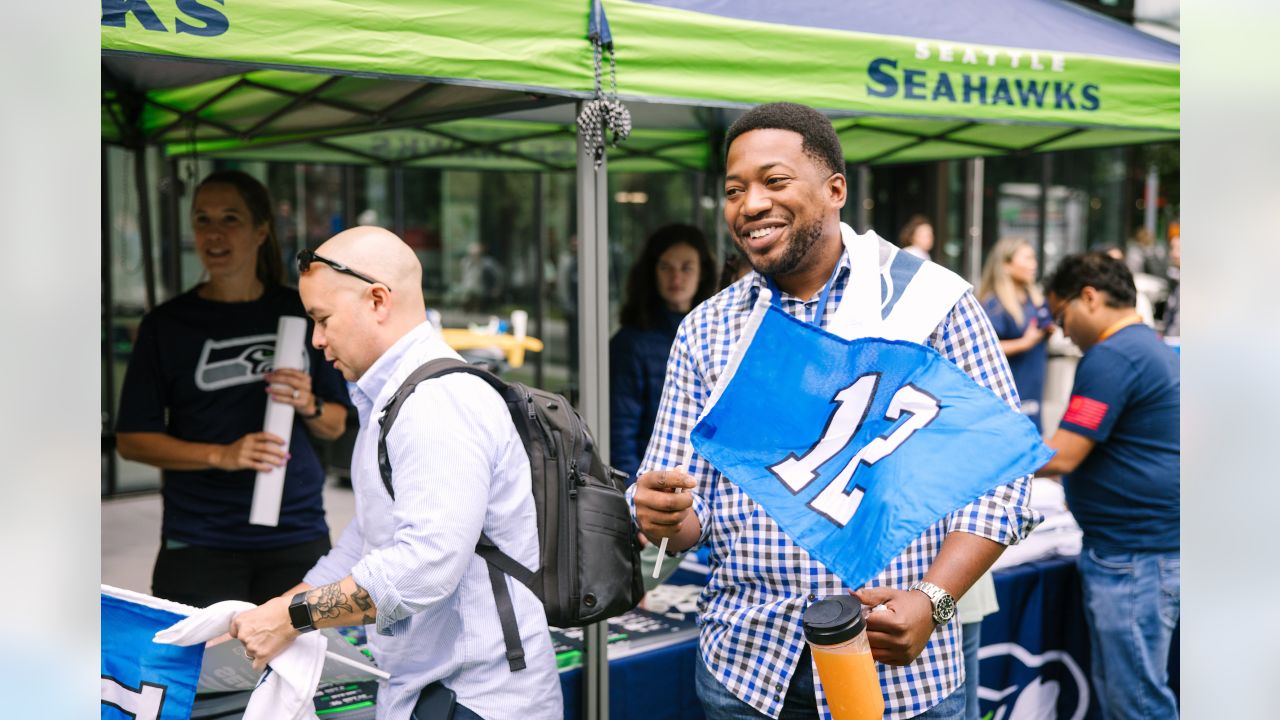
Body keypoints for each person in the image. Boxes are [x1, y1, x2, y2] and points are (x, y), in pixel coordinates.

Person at [630, 102, 1039, 720]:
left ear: (835, 189)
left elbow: (1003, 480)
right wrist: (664, 514)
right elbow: (693, 516)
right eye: (735, 190)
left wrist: (933, 600)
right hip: (747, 670)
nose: (750, 205)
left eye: (774, 181)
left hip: (901, 673)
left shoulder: (930, 304)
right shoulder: (707, 330)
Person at [230, 227, 562, 720]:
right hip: (435, 694)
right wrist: (280, 611)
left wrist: (292, 615)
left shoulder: (435, 402)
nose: (317, 341)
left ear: (378, 300)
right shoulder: (392, 398)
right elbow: (368, 539)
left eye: (322, 320)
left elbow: (425, 566)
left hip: (475, 701)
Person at [115, 170, 351, 608]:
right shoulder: (167, 325)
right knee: (201, 675)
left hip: (296, 534)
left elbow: (336, 425)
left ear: (261, 231)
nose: (214, 234)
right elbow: (132, 441)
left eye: (230, 219)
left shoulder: (300, 312)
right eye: (202, 219)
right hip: (200, 540)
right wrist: (220, 455)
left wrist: (307, 403)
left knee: (299, 673)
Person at [1039, 252, 1180, 720]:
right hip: (1145, 550)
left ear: (1090, 297)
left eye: (1061, 317)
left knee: (1135, 701)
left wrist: (986, 457)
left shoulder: (1114, 354)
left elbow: (1063, 454)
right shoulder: (1146, 345)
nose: (1061, 332)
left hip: (1133, 557)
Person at [610, 224, 717, 483]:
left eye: (686, 267)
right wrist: (637, 499)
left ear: (702, 272)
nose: (676, 278)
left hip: (709, 483)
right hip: (654, 486)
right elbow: (621, 435)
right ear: (652, 273)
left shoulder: (718, 335)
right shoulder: (631, 344)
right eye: (665, 267)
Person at [977, 238, 1054, 431]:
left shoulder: (1034, 299)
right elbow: (981, 348)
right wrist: (1024, 343)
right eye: (1027, 258)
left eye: (1034, 258)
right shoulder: (993, 305)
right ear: (1006, 265)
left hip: (1034, 392)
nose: (1034, 265)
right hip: (1008, 396)